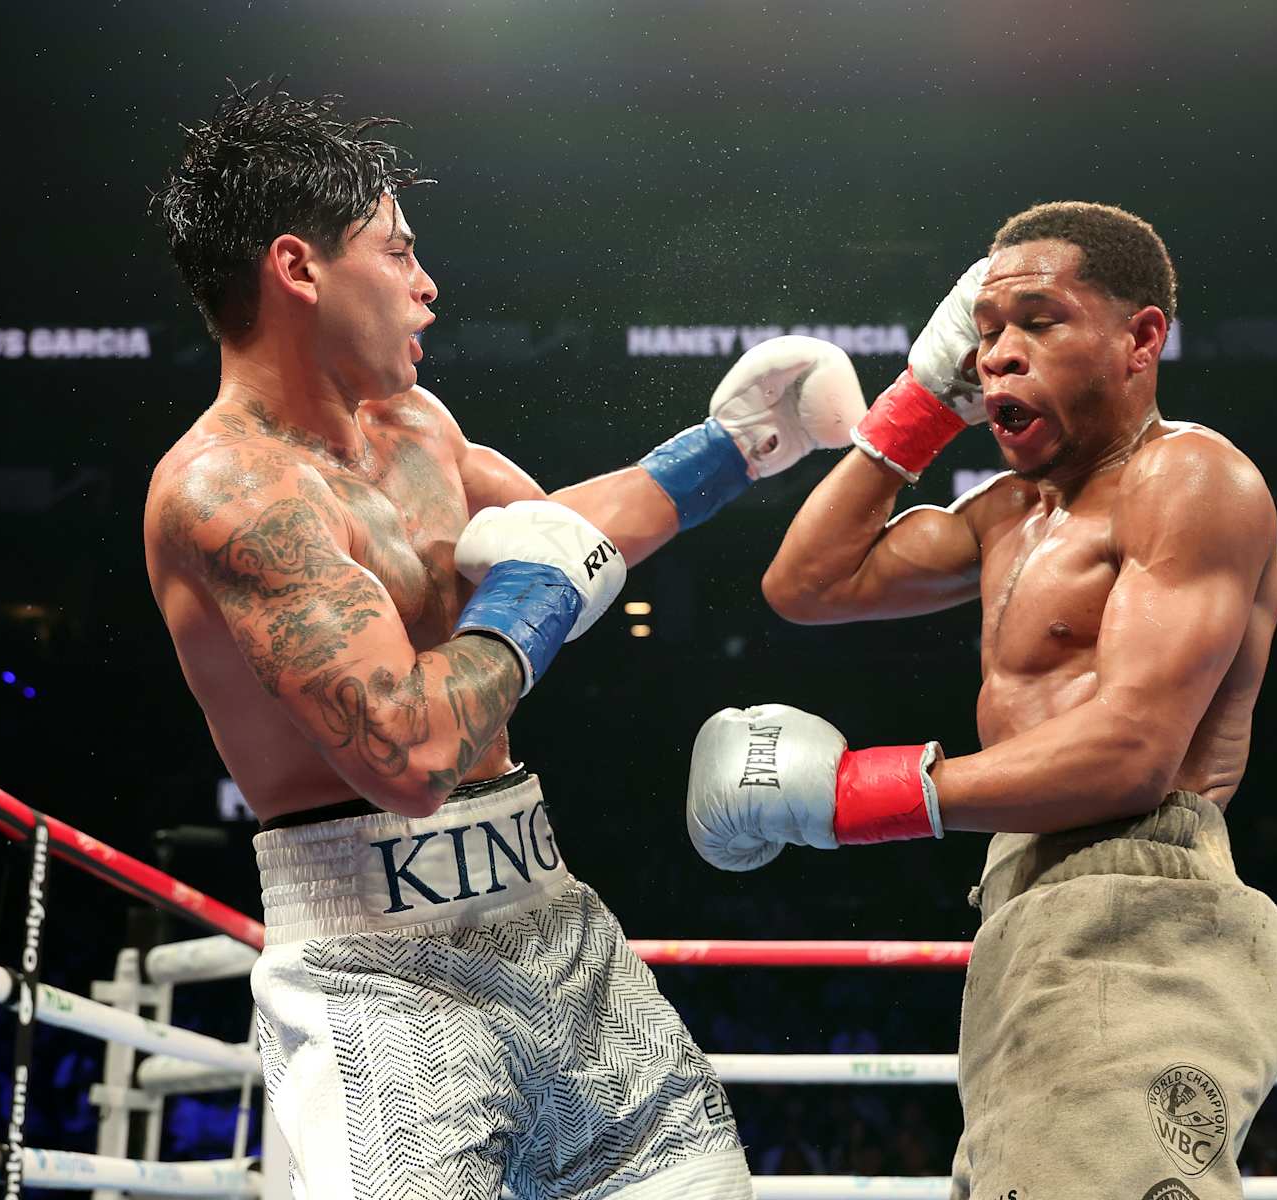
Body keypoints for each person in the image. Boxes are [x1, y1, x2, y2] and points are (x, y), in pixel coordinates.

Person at [142, 82, 865, 1200]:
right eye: (398, 251)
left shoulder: (418, 428)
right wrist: (532, 602)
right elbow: (408, 755)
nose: (427, 284)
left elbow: (561, 536)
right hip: (377, 969)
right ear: (298, 268)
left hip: (550, 918)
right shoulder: (229, 492)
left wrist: (737, 447)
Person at [685, 201, 1277, 1200]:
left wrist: (854, 798)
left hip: (1139, 898)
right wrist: (920, 403)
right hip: (1026, 900)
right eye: (985, 332)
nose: (1000, 354)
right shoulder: (1008, 514)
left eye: (1040, 322)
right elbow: (807, 583)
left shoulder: (1189, 478)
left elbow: (1131, 752)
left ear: (1141, 339)